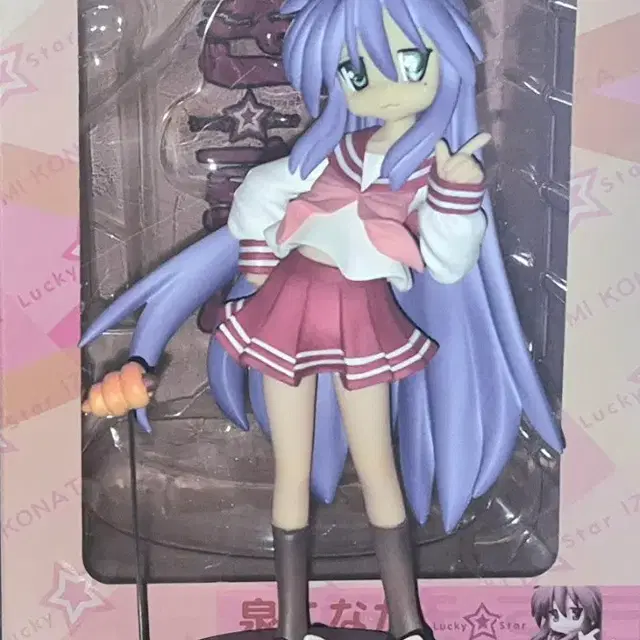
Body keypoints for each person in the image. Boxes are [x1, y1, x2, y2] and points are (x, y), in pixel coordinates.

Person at [81, 2, 565, 640]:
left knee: (376, 464)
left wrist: (455, 192)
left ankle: (408, 623)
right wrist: (257, 268)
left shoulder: (433, 166)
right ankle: (292, 626)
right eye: (357, 72)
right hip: (289, 306)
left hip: (362, 316)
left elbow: (449, 264)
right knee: (292, 467)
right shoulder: (330, 153)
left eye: (410, 62)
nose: (382, 86)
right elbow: (260, 195)